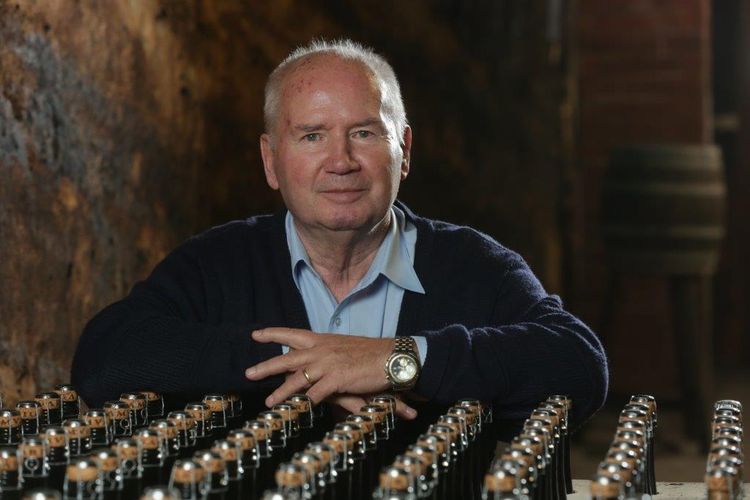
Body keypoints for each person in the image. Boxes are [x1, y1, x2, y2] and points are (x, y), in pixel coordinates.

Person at [71, 39, 607, 439]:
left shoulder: (474, 264)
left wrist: (400, 360)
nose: (341, 162)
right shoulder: (217, 262)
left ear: (404, 151)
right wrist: (303, 361)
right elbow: (103, 357)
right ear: (270, 161)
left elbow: (579, 363)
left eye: (364, 133)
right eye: (312, 136)